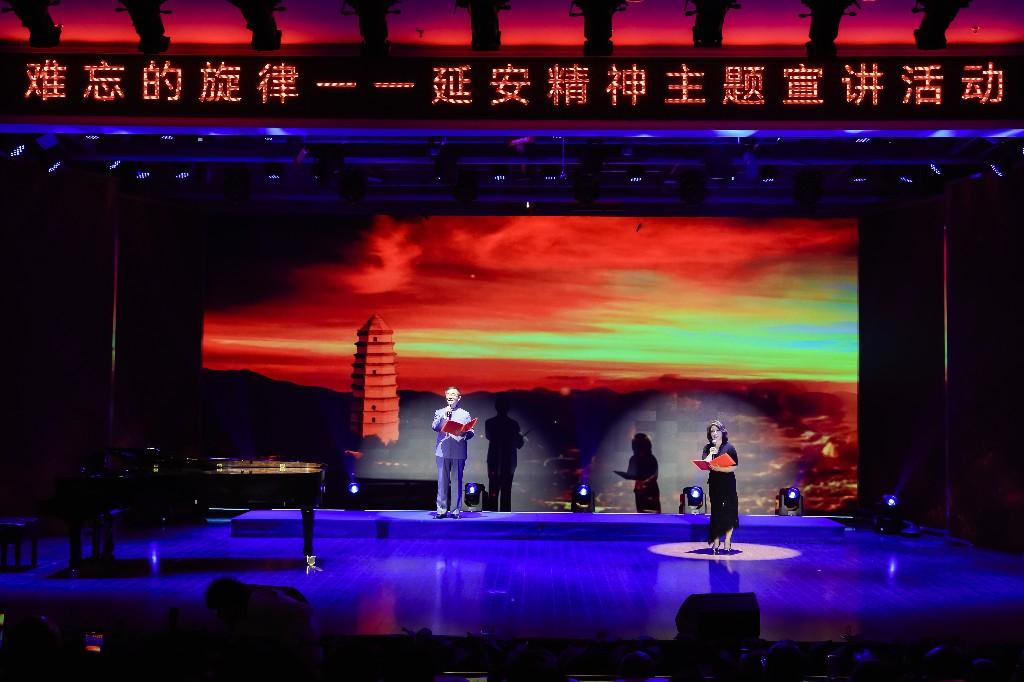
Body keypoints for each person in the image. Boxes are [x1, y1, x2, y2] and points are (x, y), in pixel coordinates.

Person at [431, 386, 475, 518]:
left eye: (453, 394)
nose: (450, 396)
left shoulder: (465, 414)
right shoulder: (440, 412)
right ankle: (441, 511)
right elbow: (435, 427)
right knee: (442, 482)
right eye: (448, 394)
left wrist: (465, 433)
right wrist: (444, 418)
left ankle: (455, 511)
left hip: (458, 451)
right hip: (442, 451)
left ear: (458, 398)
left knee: (457, 482)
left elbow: (470, 431)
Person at [702, 419, 739, 553]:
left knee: (729, 511)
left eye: (717, 430)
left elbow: (734, 467)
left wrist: (719, 469)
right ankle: (716, 540)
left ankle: (727, 540)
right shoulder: (708, 448)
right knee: (716, 512)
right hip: (714, 483)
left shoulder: (729, 448)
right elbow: (705, 464)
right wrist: (712, 453)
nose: (714, 433)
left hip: (728, 483)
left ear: (722, 432)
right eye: (712, 431)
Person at [485, 395, 524, 512]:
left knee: (493, 490)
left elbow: (489, 436)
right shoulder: (513, 424)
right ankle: (505, 516)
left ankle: (491, 515)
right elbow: (519, 445)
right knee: (506, 492)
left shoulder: (490, 423)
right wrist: (518, 438)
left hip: (493, 461)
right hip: (509, 462)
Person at [628, 433, 661, 513]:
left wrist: (643, 482)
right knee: (642, 514)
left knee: (652, 515)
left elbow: (654, 475)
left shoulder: (651, 458)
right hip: (640, 492)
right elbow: (630, 474)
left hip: (650, 491)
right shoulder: (634, 459)